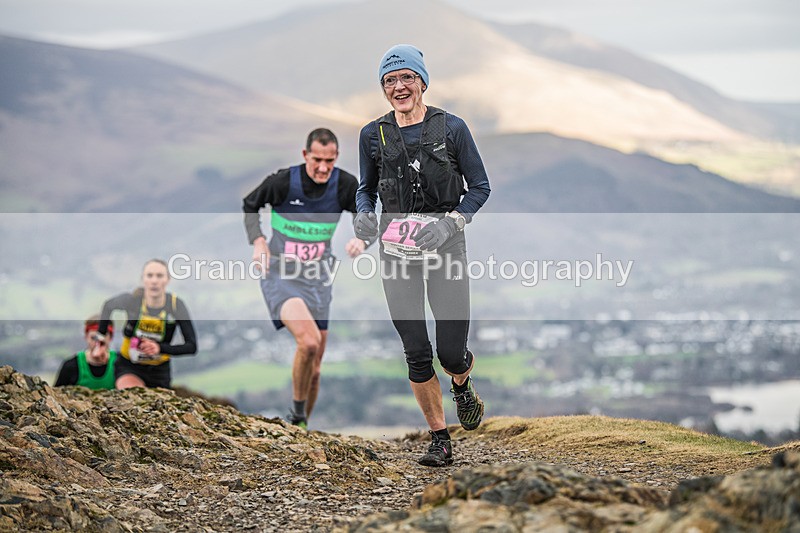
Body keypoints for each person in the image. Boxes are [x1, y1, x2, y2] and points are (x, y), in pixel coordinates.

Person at [354, 44, 492, 466]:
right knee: (416, 350)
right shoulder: (372, 135)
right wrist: (363, 215)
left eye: (406, 78)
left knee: (450, 354)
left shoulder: (452, 128)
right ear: (383, 88)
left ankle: (462, 384)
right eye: (390, 80)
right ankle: (440, 439)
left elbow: (480, 188)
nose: (399, 87)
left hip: (446, 248)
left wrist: (449, 224)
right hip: (396, 253)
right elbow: (365, 189)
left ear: (422, 83)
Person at [243, 128, 367, 429]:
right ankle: (296, 416)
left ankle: (302, 429)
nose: (323, 168)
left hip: (318, 279)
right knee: (309, 342)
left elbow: (368, 217)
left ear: (336, 157)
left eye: (330, 160)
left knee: (315, 370)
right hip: (281, 275)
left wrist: (362, 239)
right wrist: (258, 241)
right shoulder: (283, 182)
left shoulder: (345, 185)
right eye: (317, 160)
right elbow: (250, 204)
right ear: (305, 155)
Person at [96, 258, 197, 389]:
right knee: (133, 394)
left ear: (167, 280)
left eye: (159, 276)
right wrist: (101, 339)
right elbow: (108, 306)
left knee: (156, 401)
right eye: (149, 275)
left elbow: (191, 346)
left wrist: (159, 348)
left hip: (159, 371)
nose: (154, 281)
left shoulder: (175, 306)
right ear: (143, 279)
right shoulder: (133, 300)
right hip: (129, 366)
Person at [54, 315, 118, 389]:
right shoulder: (71, 366)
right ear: (86, 337)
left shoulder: (120, 365)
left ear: (110, 337)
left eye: (102, 339)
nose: (98, 343)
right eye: (93, 338)